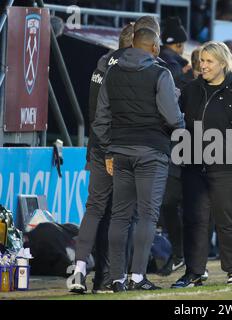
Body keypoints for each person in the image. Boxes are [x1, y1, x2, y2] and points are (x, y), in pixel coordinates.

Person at [92, 28, 185, 292]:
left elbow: (101, 119)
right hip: (152, 153)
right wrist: (182, 123)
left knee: (120, 216)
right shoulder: (160, 73)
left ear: (132, 45)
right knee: (147, 215)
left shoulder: (112, 73)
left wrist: (109, 150)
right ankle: (137, 277)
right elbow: (172, 117)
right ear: (155, 47)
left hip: (120, 152)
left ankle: (116, 278)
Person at [171, 41, 232, 288]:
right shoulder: (190, 90)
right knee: (194, 220)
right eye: (202, 61)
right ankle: (194, 272)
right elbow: (177, 124)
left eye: (210, 61)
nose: (204, 65)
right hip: (194, 165)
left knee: (228, 219)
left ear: (223, 63)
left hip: (229, 167)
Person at [67, 23, 134, 294]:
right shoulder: (128, 70)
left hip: (97, 148)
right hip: (118, 149)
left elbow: (94, 113)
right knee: (120, 214)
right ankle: (112, 277)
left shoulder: (102, 65)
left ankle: (80, 271)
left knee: (95, 210)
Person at [160, 17, 192, 89]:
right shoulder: (175, 65)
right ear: (178, 44)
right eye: (183, 44)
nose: (183, 47)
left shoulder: (156, 55)